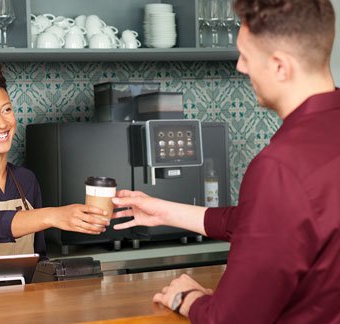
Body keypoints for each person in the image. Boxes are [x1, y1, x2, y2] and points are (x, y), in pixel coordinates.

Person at [112, 0, 340, 322]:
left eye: (246, 55)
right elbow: (272, 222)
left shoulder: (279, 166)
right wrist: (163, 211)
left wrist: (187, 298)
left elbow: (231, 319)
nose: (240, 67)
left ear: (279, 66)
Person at [0, 55, 109, 293]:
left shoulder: (26, 180)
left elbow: (38, 258)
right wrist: (53, 216)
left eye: (6, 110)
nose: (2, 123)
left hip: (17, 311)